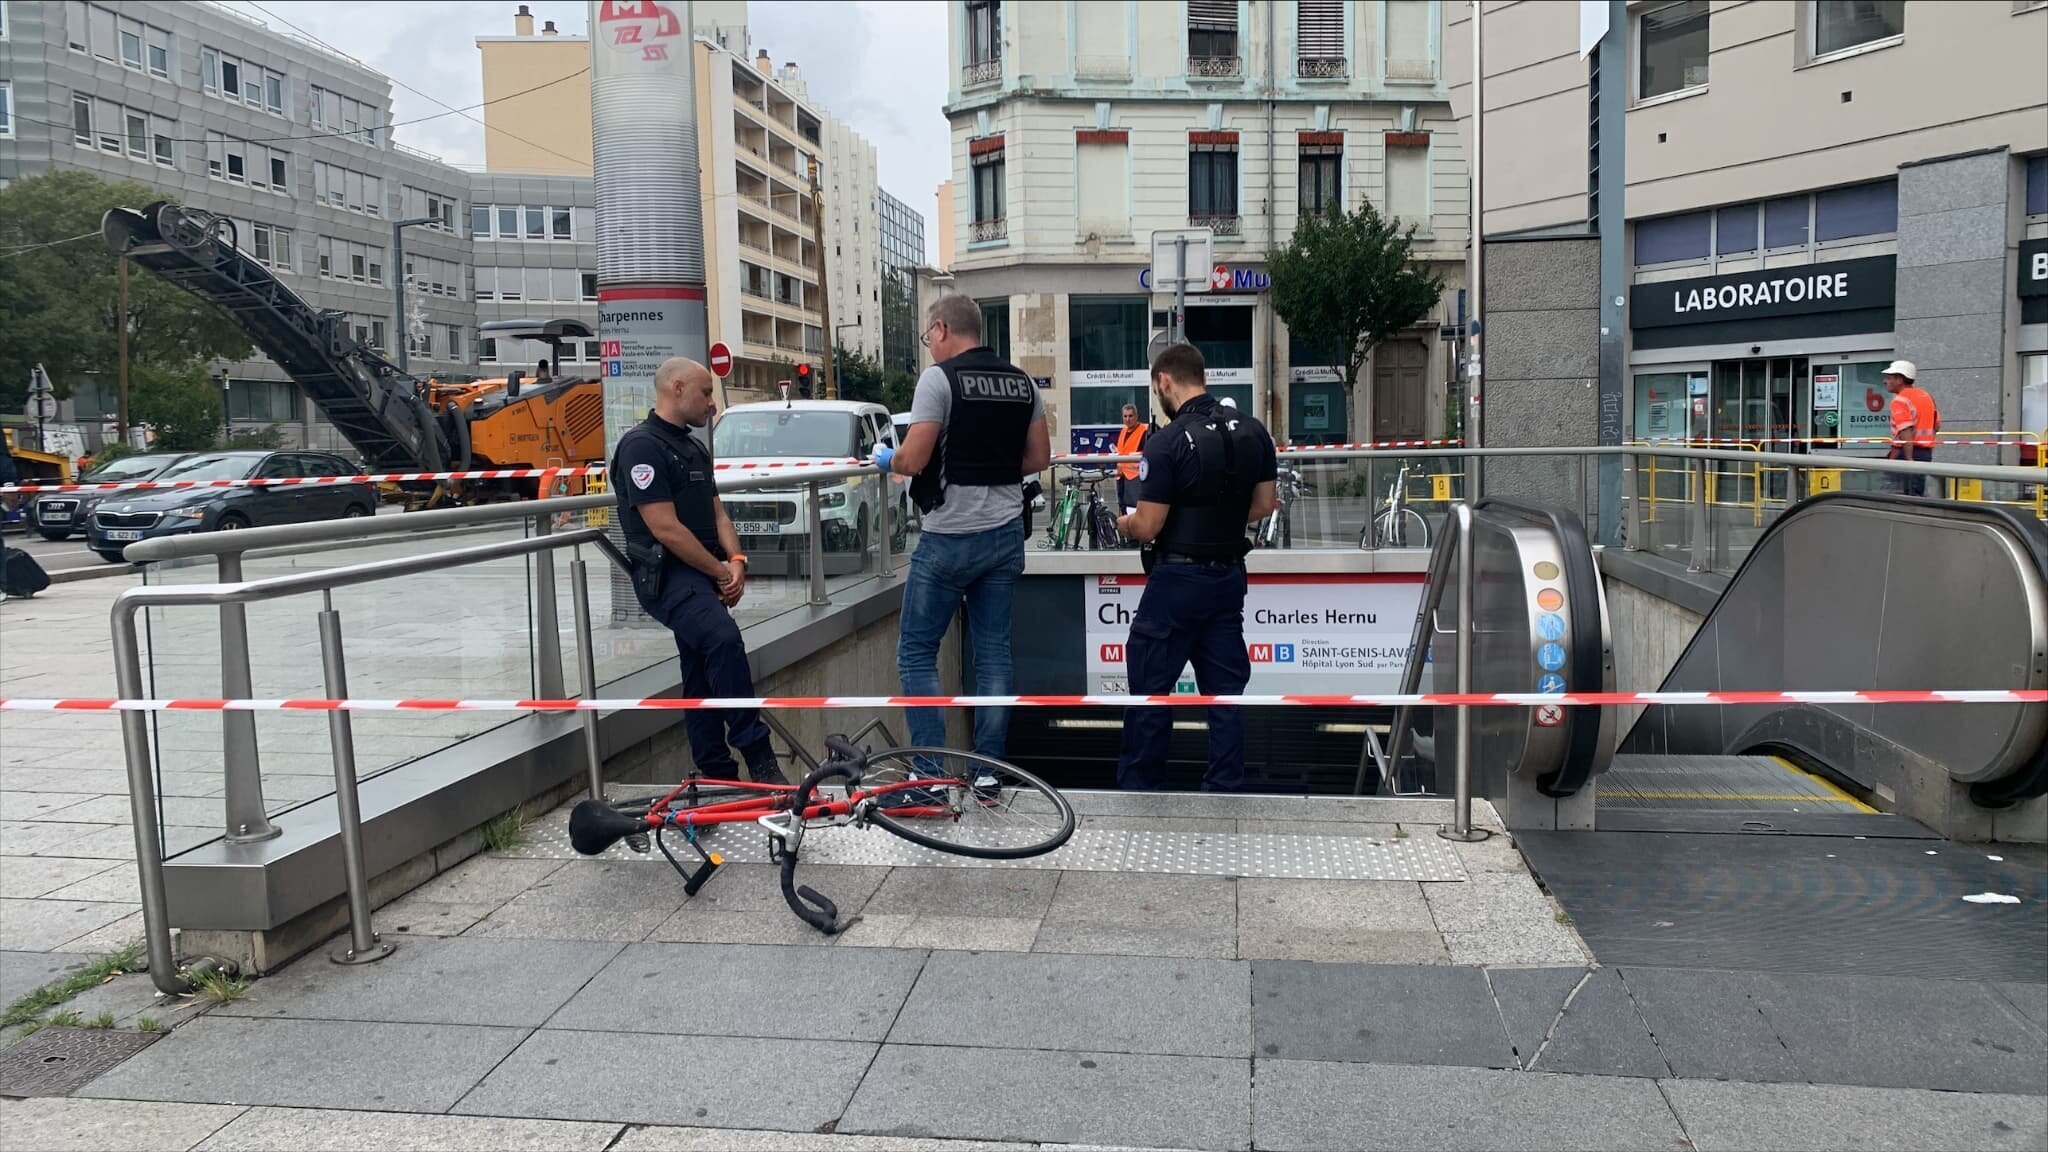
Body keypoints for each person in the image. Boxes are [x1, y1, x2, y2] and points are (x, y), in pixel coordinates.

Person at [874, 294, 1051, 757]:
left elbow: (913, 459)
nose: (929, 344)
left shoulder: (938, 380)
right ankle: (987, 772)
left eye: (928, 336)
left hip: (949, 538)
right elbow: (1039, 458)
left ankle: (930, 778)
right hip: (1006, 534)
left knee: (916, 651)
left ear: (941, 329)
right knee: (993, 654)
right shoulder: (1022, 383)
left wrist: (886, 458)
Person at [612, 357, 784, 783]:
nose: (711, 403)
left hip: (702, 573)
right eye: (705, 392)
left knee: (700, 667)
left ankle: (714, 771)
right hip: (668, 576)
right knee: (723, 641)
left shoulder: (693, 447)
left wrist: (737, 561)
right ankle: (758, 755)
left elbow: (717, 512)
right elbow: (665, 528)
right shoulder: (641, 447)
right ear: (676, 388)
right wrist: (722, 572)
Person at [1114, 343, 1277, 792]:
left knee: (1150, 690)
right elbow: (1264, 505)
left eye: (1156, 388)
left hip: (1175, 583)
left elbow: (1148, 525)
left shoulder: (1166, 441)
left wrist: (1124, 523)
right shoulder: (1253, 431)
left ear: (1165, 381)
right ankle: (1225, 789)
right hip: (1228, 579)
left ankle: (1139, 791)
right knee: (1225, 695)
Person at [1883, 360, 1939, 497]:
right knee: (1916, 493)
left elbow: (1905, 431)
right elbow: (1936, 425)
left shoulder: (1900, 400)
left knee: (1901, 496)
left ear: (1899, 379)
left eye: (1889, 378)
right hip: (1925, 453)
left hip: (1906, 453)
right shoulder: (1926, 396)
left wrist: (1909, 460)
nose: (1885, 381)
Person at [1114, 403, 1150, 515]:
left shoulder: (1145, 430)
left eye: (1130, 416)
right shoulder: (1123, 431)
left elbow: (1147, 453)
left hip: (1136, 477)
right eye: (1125, 416)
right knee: (1123, 508)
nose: (1128, 419)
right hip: (1122, 476)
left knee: (1134, 510)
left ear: (1136, 416)